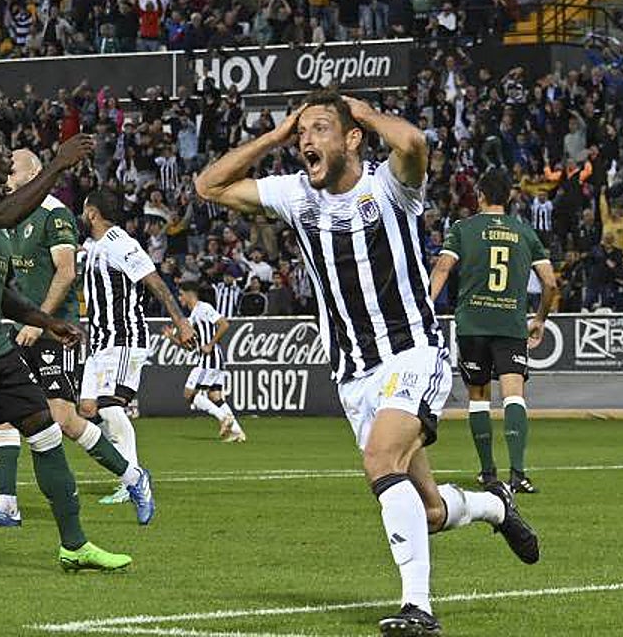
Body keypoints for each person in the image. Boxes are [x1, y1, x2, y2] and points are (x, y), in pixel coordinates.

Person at [196, 89, 538, 636]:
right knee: (426, 512)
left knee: (382, 461)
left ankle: (418, 609)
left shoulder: (390, 187)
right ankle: (495, 507)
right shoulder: (295, 195)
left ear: (353, 138)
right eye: (303, 132)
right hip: (354, 377)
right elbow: (208, 186)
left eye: (320, 129)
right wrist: (275, 136)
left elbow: (413, 141)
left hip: (412, 353)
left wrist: (362, 111)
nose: (307, 139)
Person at [0, 125, 131, 583]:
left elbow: (2, 293)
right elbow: (6, 212)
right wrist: (56, 164)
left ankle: (74, 546)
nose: (7, 154)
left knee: (46, 432)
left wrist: (46, 321)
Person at [0, 150, 154, 529]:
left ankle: (135, 478)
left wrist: (41, 321)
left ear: (34, 171)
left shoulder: (54, 213)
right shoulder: (12, 215)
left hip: (52, 331)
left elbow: (65, 273)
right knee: (2, 414)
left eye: (12, 167)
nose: (6, 173)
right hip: (19, 331)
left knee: (64, 419)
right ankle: (6, 506)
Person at [426, 167, 558, 495]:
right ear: (510, 197)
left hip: (472, 325)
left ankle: (487, 472)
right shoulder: (524, 232)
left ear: (480, 196)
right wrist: (539, 317)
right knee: (514, 394)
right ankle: (519, 474)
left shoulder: (463, 229)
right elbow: (550, 282)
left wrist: (425, 307)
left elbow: (443, 267)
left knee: (479, 397)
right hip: (510, 324)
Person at [78, 188, 196, 506]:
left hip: (124, 337)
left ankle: (131, 478)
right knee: (86, 409)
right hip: (101, 341)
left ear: (92, 213)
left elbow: (155, 282)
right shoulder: (95, 247)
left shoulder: (121, 244)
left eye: (83, 209)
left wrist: (182, 322)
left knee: (110, 406)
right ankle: (128, 472)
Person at [165, 280, 244, 442]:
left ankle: (224, 418)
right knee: (215, 396)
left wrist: (210, 344)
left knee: (188, 393)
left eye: (181, 295)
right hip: (211, 358)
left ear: (189, 294)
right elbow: (190, 346)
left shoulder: (204, 308)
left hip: (210, 358)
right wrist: (171, 337)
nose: (180, 299)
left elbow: (224, 324)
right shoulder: (193, 315)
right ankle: (237, 431)